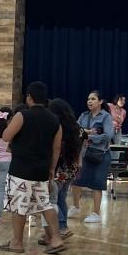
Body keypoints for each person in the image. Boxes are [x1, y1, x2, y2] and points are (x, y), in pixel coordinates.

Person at [0, 81, 64, 255]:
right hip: (42, 169)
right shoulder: (55, 120)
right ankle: (56, 238)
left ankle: (17, 242)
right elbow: (57, 147)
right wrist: (52, 169)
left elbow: (6, 137)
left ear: (29, 97)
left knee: (19, 205)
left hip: (21, 169)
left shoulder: (22, 116)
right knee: (45, 203)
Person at [70, 91, 114, 225]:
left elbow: (108, 135)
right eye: (88, 99)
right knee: (76, 181)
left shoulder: (106, 117)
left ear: (100, 101)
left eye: (93, 99)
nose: (90, 101)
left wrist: (89, 136)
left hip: (100, 154)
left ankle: (96, 213)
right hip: (84, 153)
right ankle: (75, 206)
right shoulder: (84, 115)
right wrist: (83, 133)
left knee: (97, 183)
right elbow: (75, 130)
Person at [49, 99, 83, 233]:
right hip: (72, 167)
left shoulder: (57, 128)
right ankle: (63, 226)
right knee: (61, 197)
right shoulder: (78, 129)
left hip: (59, 167)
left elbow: (56, 148)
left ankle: (62, 226)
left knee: (54, 199)